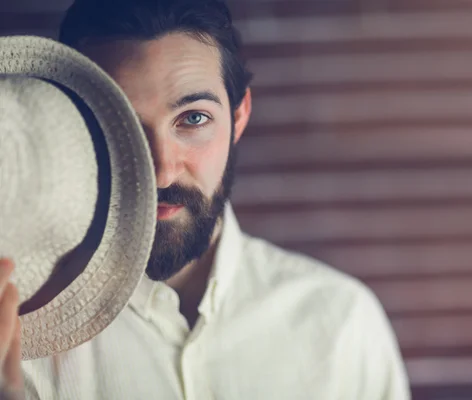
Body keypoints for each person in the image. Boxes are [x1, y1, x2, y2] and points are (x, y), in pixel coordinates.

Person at [1, 0, 411, 398]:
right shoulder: (18, 342)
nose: (161, 170)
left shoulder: (342, 323)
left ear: (238, 117)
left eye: (193, 118)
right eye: (120, 123)